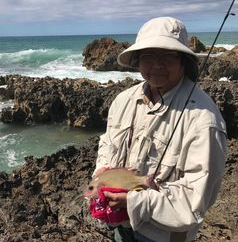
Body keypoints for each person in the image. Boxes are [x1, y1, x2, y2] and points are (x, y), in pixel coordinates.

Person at [93, 17, 227, 242]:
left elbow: (196, 200)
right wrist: (103, 174)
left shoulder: (204, 120)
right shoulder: (122, 100)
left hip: (162, 236)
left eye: (167, 55)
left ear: (183, 61)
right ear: (137, 60)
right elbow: (107, 144)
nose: (157, 65)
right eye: (148, 56)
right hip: (120, 226)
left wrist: (134, 200)